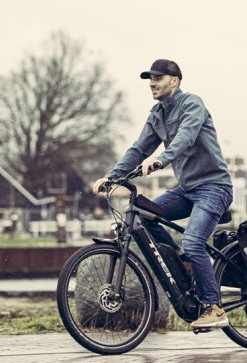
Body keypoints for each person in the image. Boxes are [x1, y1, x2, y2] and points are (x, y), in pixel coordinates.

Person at [93, 59, 233, 331]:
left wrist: (162, 160)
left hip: (214, 187)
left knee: (194, 242)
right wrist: (111, 177)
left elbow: (186, 136)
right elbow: (138, 149)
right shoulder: (157, 114)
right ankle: (184, 263)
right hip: (188, 189)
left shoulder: (193, 104)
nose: (152, 83)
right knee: (145, 215)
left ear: (174, 80)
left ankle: (214, 308)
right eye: (150, 78)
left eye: (158, 77)